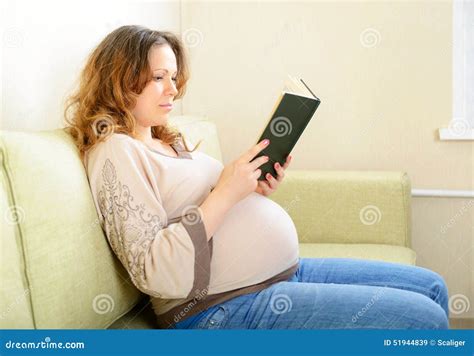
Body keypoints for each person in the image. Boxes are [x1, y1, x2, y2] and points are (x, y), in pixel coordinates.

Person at [64, 25, 450, 330]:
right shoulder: (115, 152)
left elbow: (213, 211)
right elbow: (154, 271)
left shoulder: (166, 141)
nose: (174, 89)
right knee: (424, 319)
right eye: (159, 77)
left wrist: (255, 190)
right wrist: (227, 194)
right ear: (121, 79)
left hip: (279, 277)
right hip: (219, 309)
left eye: (175, 77)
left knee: (432, 287)